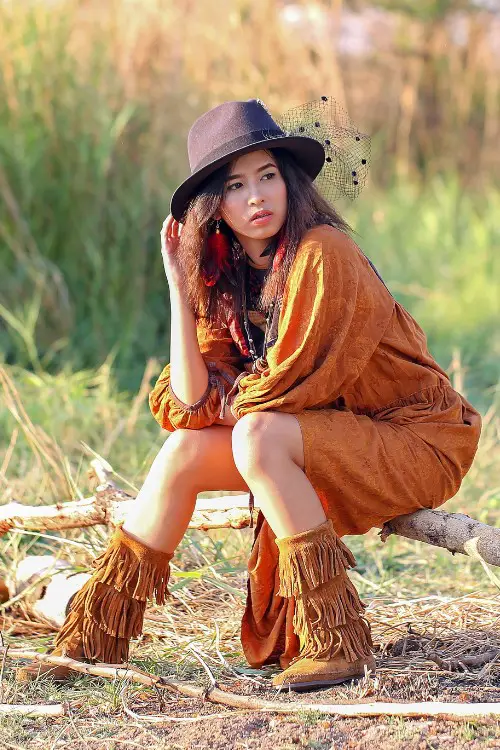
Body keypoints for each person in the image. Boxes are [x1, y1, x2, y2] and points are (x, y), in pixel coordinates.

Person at [17, 98, 482, 691]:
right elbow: (190, 402)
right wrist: (178, 286)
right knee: (184, 453)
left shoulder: (323, 254)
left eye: (268, 176)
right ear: (215, 206)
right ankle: (95, 638)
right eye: (235, 186)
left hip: (415, 439)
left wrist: (229, 403)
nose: (256, 197)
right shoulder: (230, 277)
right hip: (328, 439)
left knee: (257, 435)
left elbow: (285, 389)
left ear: (289, 182)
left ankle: (337, 641)